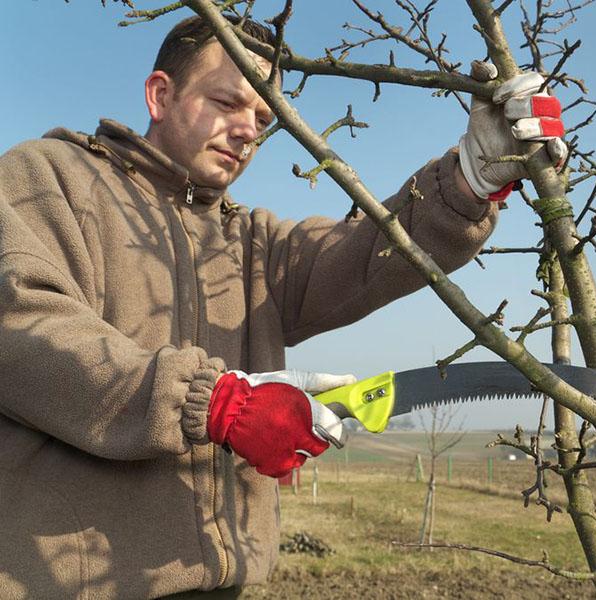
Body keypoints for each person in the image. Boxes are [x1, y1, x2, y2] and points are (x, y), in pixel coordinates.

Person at [0, 14, 564, 600]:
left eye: (263, 119)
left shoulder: (252, 243)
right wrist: (212, 404)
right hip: (64, 581)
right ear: (160, 94)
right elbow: (19, 318)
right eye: (227, 102)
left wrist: (471, 177)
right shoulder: (47, 177)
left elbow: (365, 250)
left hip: (226, 586)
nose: (246, 130)